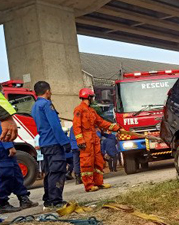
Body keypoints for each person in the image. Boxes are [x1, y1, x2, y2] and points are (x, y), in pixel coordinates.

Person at [30, 81, 70, 210]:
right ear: (47, 91)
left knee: (49, 173)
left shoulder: (35, 106)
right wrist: (65, 142)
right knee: (57, 172)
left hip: (45, 143)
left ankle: (48, 199)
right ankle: (55, 200)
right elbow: (55, 126)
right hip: (54, 143)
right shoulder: (47, 105)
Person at [73, 88, 121, 192]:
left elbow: (101, 122)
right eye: (92, 97)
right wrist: (80, 141)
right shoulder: (79, 110)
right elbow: (76, 127)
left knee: (98, 161)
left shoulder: (92, 111)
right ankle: (89, 185)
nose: (93, 99)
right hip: (86, 141)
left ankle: (99, 183)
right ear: (89, 97)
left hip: (94, 139)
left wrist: (116, 128)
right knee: (87, 163)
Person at [0, 125, 38, 213]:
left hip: (4, 146)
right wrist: (9, 145)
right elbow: (2, 130)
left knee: (16, 173)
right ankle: (2, 203)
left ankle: (24, 198)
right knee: (5, 174)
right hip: (3, 147)